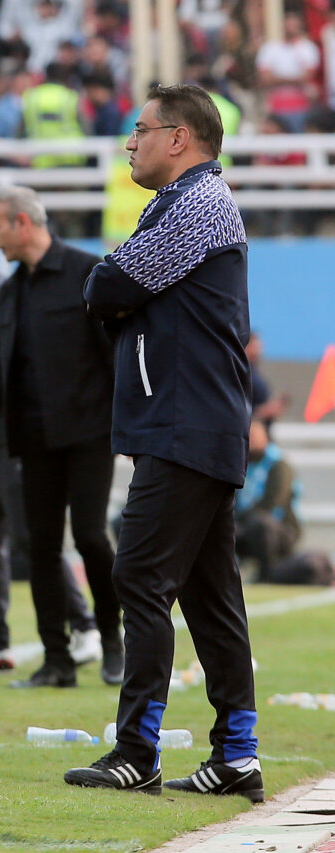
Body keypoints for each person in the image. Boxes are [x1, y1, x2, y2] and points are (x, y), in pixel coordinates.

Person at [66, 84, 263, 801]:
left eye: (141, 130)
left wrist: (114, 288)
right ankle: (237, 753)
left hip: (186, 422)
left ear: (180, 138)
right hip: (196, 421)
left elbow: (108, 284)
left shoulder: (199, 203)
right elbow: (117, 287)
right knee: (212, 597)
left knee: (139, 577)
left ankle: (136, 748)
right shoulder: (187, 204)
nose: (131, 142)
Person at [0, 185, 122, 690]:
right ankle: (57, 659)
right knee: (41, 545)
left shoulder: (87, 274)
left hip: (90, 433)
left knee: (91, 536)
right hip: (32, 439)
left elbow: (114, 356)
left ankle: (114, 644)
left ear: (23, 224)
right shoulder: (7, 294)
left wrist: (129, 421)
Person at [236, 419, 301, 583]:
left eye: (253, 435)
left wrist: (239, 519)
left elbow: (272, 502)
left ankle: (268, 575)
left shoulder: (278, 465)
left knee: (261, 524)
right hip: (244, 523)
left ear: (265, 437)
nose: (249, 439)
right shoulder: (237, 464)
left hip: (280, 529)